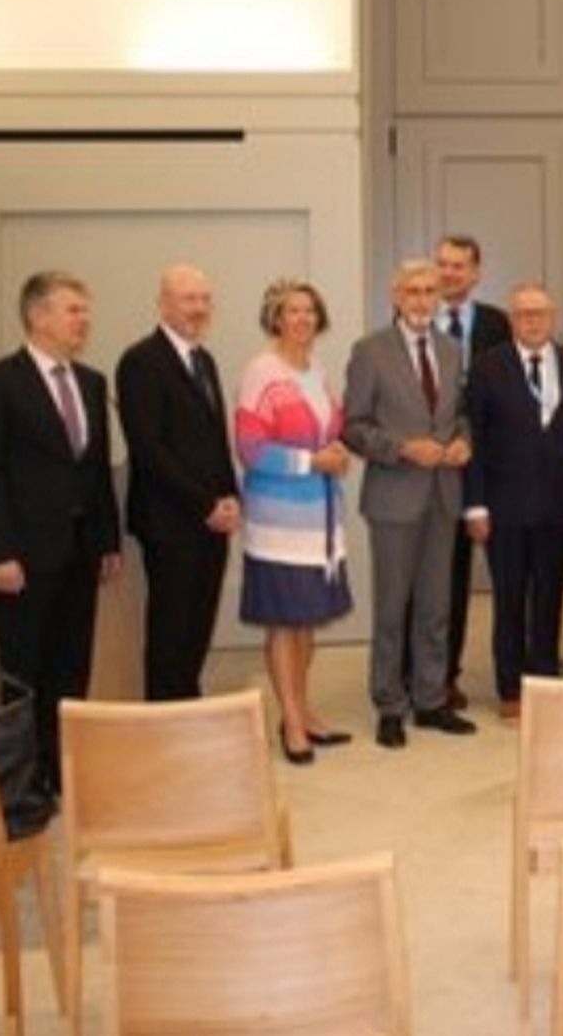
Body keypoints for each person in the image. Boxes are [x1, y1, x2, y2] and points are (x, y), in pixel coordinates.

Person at [0, 270, 122, 794]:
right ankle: (20, 783)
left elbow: (96, 471)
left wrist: (108, 541)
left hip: (80, 554)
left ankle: (60, 771)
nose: (84, 319)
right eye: (73, 309)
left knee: (70, 670)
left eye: (84, 309)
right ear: (38, 316)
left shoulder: (92, 382)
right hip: (24, 558)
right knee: (24, 676)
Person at [342, 259, 477, 748]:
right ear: (396, 296)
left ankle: (430, 699)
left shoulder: (449, 349)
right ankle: (389, 704)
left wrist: (463, 441)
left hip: (443, 494)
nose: (423, 300)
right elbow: (353, 427)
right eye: (413, 291)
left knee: (436, 606)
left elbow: (459, 414)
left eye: (430, 291)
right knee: (392, 607)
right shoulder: (370, 351)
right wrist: (401, 448)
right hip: (393, 497)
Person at [235, 279, 354, 765]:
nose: (302, 319)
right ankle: (290, 724)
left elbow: (330, 433)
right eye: (292, 311)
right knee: (285, 623)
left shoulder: (317, 370)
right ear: (276, 318)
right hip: (280, 522)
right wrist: (313, 462)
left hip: (321, 521)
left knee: (307, 623)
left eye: (309, 311)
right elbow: (251, 450)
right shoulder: (262, 372)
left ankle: (301, 711)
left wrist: (337, 452)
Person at [464, 283, 563, 719]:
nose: (532, 321)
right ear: (512, 320)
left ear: (552, 317)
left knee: (551, 595)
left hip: (560, 505)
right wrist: (475, 505)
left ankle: (546, 677)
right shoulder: (486, 367)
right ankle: (511, 687)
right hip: (504, 508)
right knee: (510, 597)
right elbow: (474, 440)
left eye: (539, 313)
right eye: (523, 314)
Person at [116, 264, 241, 702]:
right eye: (189, 299)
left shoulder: (204, 360)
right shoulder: (140, 361)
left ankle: (188, 708)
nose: (199, 309)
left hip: (213, 520)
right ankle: (165, 720)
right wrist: (205, 503)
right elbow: (150, 450)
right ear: (164, 303)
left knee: (198, 626)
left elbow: (214, 441)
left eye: (205, 299)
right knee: (170, 632)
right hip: (171, 522)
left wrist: (230, 498)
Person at [427, 233, 512, 711]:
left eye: (459, 266)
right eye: (443, 264)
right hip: (437, 467)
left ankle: (508, 672)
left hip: (492, 466)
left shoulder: (499, 324)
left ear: (476, 272)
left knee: (503, 577)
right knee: (444, 576)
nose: (449, 273)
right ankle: (440, 676)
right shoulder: (414, 322)